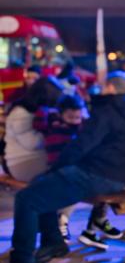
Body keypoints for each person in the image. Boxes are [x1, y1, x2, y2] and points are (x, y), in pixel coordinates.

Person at [0, 72, 125, 263]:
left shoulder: (107, 111)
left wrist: (57, 168)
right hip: (115, 174)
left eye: (104, 85)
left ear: (111, 88)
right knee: (41, 186)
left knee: (27, 199)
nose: (100, 87)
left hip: (97, 174)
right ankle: (53, 242)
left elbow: (82, 144)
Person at [33, 94, 86, 240]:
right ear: (60, 114)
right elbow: (38, 123)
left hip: (73, 170)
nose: (75, 121)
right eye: (71, 117)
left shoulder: (82, 130)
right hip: (56, 169)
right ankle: (58, 222)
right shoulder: (52, 126)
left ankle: (62, 220)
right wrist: (47, 109)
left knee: (76, 188)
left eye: (78, 117)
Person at [3, 77, 63, 182]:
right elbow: (32, 143)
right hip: (23, 163)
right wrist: (52, 130)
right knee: (66, 173)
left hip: (33, 159)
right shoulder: (21, 113)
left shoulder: (35, 111)